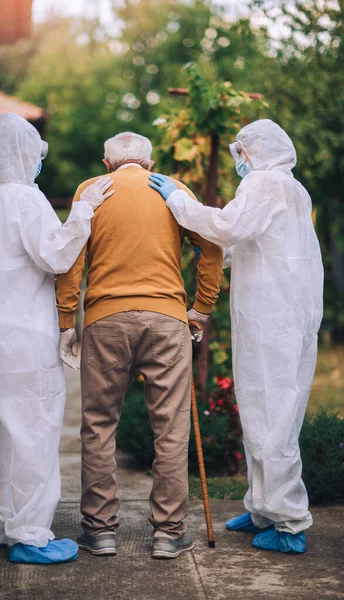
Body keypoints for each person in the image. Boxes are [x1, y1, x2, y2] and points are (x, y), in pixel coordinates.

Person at [149, 119, 324, 555]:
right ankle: (263, 507)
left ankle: (288, 523)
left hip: (275, 317)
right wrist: (209, 251)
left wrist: (179, 205)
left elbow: (231, 227)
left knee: (274, 416)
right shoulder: (288, 188)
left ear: (258, 150)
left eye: (242, 151)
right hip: (276, 314)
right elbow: (249, 242)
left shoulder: (267, 183)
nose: (239, 160)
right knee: (260, 408)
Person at [57, 132, 223, 559]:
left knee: (98, 425)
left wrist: (65, 321)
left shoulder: (90, 190)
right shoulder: (176, 191)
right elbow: (211, 245)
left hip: (105, 320)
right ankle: (169, 533)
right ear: (149, 164)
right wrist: (201, 307)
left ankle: (100, 531)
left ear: (107, 163)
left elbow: (71, 259)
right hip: (167, 320)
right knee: (170, 428)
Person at [0, 112, 114, 565]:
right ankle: (29, 533)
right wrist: (84, 210)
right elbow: (55, 255)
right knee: (33, 427)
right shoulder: (27, 200)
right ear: (26, 153)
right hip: (24, 332)